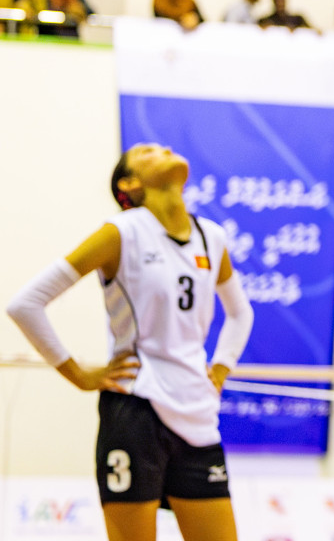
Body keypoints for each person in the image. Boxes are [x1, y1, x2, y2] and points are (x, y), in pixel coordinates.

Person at [5, 143, 254, 541]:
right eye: (149, 151)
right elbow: (25, 303)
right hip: (136, 410)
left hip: (197, 413)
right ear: (129, 182)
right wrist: (78, 375)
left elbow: (241, 313)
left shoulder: (213, 237)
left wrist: (221, 368)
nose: (165, 149)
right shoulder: (122, 232)